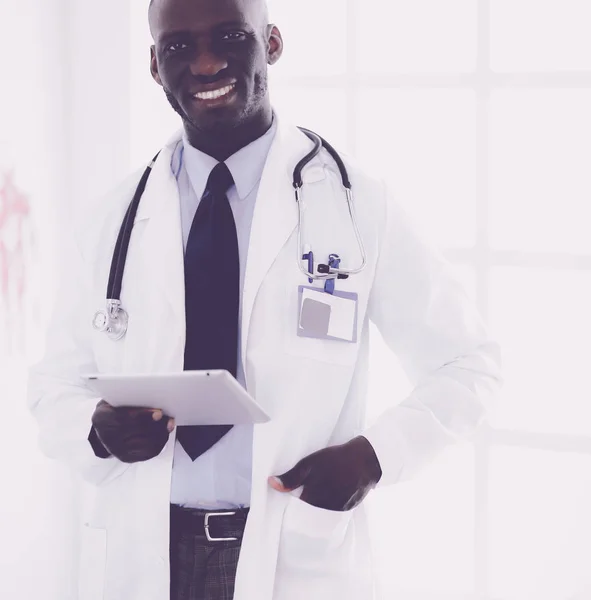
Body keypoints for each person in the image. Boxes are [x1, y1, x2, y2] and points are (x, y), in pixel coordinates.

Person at [27, 0, 502, 598]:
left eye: (230, 36)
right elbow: (52, 387)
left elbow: (469, 363)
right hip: (147, 551)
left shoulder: (359, 206)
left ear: (271, 43)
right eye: (177, 47)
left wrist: (376, 456)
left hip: (291, 550)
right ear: (153, 64)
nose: (204, 62)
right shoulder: (112, 219)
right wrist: (96, 431)